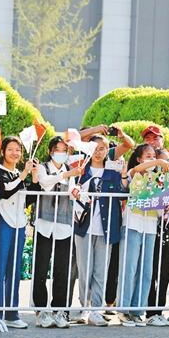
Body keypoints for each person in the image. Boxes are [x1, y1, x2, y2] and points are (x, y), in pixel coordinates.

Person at [72, 136, 128, 327]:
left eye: (102, 148)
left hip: (106, 228)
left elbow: (122, 194)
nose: (98, 152)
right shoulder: (81, 170)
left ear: (107, 151)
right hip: (84, 227)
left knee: (100, 270)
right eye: (94, 148)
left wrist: (123, 176)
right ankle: (84, 307)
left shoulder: (112, 172)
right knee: (84, 269)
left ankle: (96, 309)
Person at [117, 143, 169, 327]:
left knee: (146, 271)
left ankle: (137, 311)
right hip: (133, 224)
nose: (152, 159)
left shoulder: (159, 179)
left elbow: (162, 203)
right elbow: (135, 170)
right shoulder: (136, 173)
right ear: (139, 158)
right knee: (129, 268)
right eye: (148, 156)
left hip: (150, 226)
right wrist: (157, 161)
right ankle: (123, 310)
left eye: (153, 156)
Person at [0, 136, 34, 330]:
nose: (15, 153)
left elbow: (28, 198)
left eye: (18, 150)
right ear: (3, 151)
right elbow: (6, 191)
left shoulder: (19, 174)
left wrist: (33, 176)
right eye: (11, 149)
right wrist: (23, 175)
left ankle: (12, 313)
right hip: (2, 221)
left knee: (14, 268)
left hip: (19, 224)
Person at [31, 136, 81, 329]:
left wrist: (75, 191)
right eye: (57, 150)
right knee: (41, 268)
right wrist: (66, 175)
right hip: (44, 223)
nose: (61, 153)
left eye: (64, 150)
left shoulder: (70, 171)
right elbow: (45, 184)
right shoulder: (43, 167)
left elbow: (72, 190)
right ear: (51, 151)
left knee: (62, 270)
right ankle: (41, 310)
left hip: (64, 225)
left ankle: (59, 310)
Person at [145, 147, 169, 327]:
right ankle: (150, 312)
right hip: (154, 231)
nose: (168, 164)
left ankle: (159, 311)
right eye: (163, 161)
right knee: (152, 273)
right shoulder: (151, 181)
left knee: (165, 273)